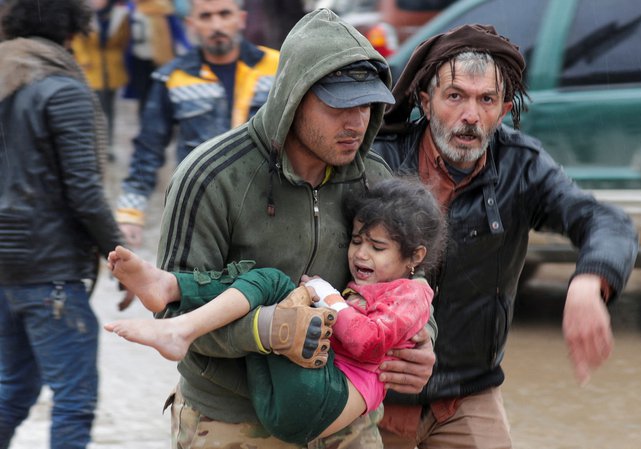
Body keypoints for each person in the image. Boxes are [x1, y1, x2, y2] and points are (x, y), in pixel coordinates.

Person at [150, 8, 437, 448]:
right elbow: (173, 314)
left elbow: (409, 284)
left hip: (344, 413)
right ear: (292, 97)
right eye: (339, 104)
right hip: (233, 418)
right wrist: (266, 330)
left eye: (365, 104)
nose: (356, 122)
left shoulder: (374, 178)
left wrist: (422, 344)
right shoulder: (210, 177)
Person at [371, 24, 639, 448]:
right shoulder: (378, 161)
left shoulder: (521, 165)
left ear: (504, 109)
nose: (471, 116)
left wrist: (591, 280)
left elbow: (604, 220)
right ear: (425, 101)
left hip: (466, 394)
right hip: (371, 390)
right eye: (455, 96)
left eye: (486, 100)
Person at [104, 178, 447, 445]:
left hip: (324, 400)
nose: (361, 254)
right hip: (281, 408)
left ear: (415, 257)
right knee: (264, 298)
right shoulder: (385, 285)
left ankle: (175, 303)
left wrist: (325, 294)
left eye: (377, 247)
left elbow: (367, 341)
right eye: (356, 241)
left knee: (273, 281)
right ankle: (170, 291)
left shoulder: (414, 292)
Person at [0, 1, 133, 448]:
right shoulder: (62, 90)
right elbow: (85, 193)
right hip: (49, 268)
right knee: (74, 400)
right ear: (75, 32)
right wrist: (122, 258)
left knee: (12, 391)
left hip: (8, 270)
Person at [115, 0, 280, 248]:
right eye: (206, 16)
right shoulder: (173, 78)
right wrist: (130, 214)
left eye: (224, 14)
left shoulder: (277, 67)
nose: (216, 25)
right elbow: (147, 150)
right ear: (191, 24)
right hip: (201, 211)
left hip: (269, 207)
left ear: (241, 19)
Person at [71, 0, 131, 161]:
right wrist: (83, 60)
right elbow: (77, 40)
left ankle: (107, 144)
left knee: (109, 109)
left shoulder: (120, 14)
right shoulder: (85, 15)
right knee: (90, 110)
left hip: (112, 68)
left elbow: (124, 40)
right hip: (91, 69)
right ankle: (91, 145)